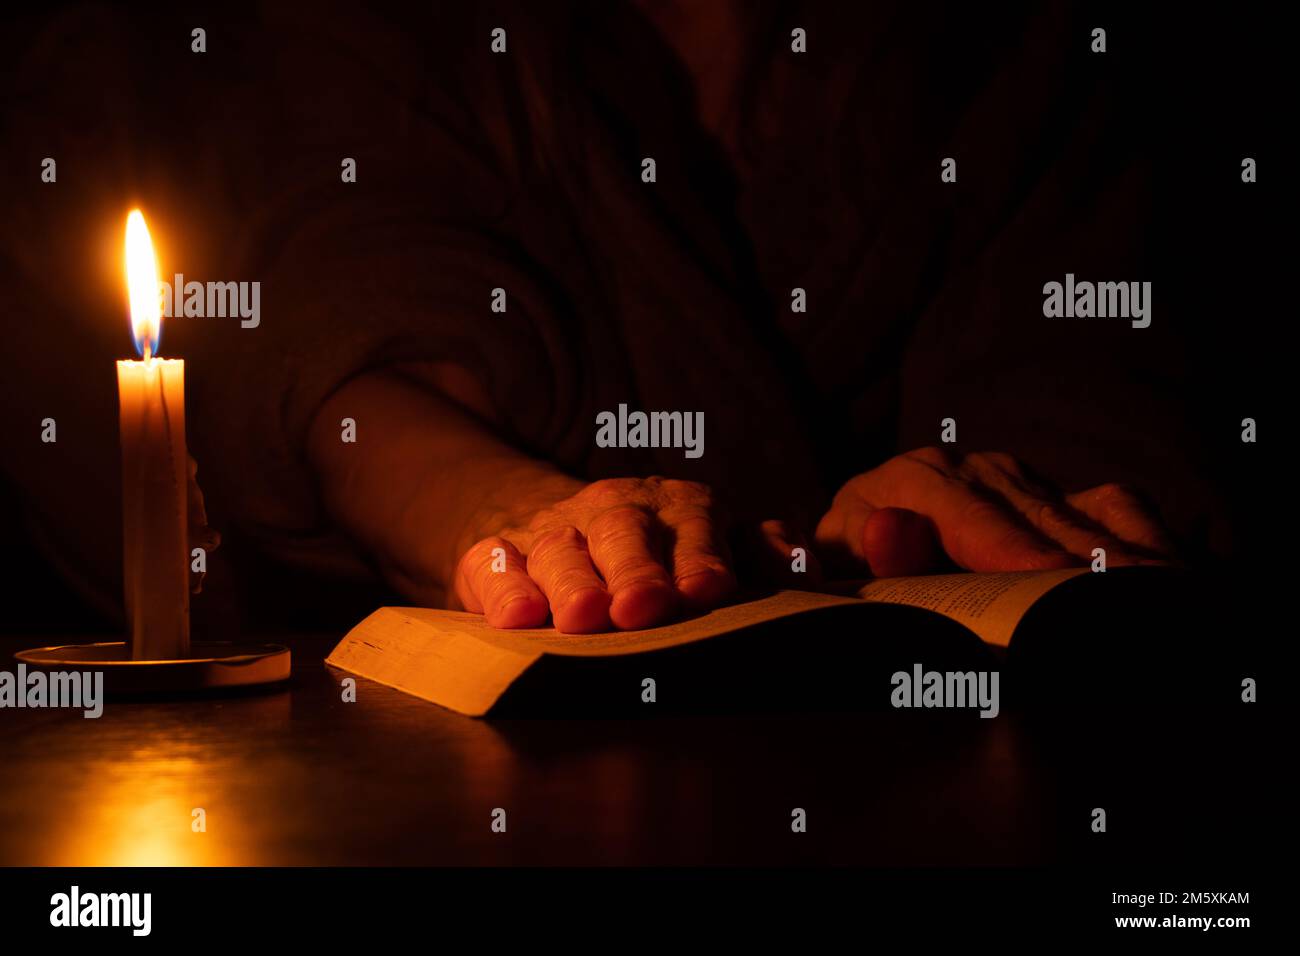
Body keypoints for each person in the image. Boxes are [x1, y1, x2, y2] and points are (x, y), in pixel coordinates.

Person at [1, 2, 1225, 635]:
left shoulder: (1001, 45)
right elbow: (351, 343)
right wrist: (513, 521)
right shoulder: (395, 42)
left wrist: (982, 510)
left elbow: (1088, 344)